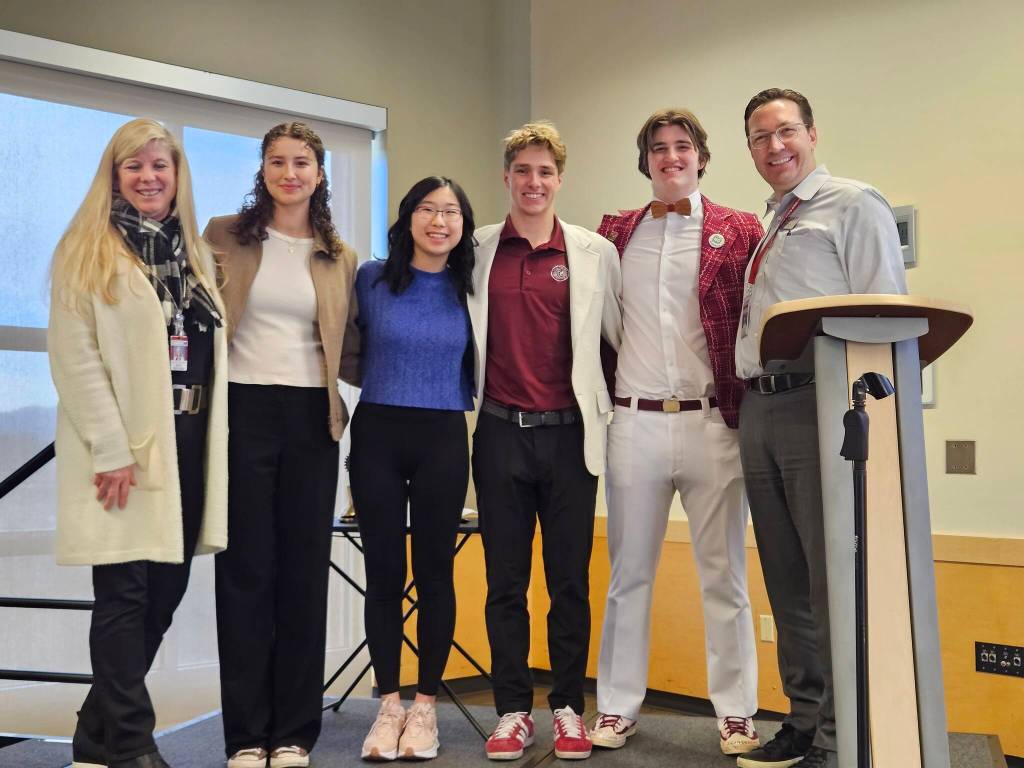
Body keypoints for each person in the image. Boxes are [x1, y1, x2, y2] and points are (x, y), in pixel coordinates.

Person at [734, 89, 908, 768]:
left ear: (812, 133)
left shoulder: (853, 204)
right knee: (786, 580)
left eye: (785, 131)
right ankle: (803, 721)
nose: (774, 146)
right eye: (760, 137)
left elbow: (885, 315)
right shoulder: (771, 221)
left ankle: (840, 737)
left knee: (830, 577)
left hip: (819, 401)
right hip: (759, 406)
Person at [48, 118, 228, 768]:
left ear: (177, 176)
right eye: (134, 166)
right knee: (124, 596)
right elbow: (75, 359)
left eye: (160, 166)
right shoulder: (86, 252)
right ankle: (130, 743)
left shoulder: (195, 255)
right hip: (125, 453)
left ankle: (95, 731)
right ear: (114, 175)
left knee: (164, 595)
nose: (149, 177)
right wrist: (110, 448)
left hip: (189, 445)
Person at [592, 107, 763, 756]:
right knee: (628, 574)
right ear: (646, 162)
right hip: (633, 421)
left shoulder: (740, 230)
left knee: (724, 575)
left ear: (701, 157)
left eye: (682, 146)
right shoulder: (612, 234)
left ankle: (737, 712)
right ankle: (616, 706)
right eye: (659, 148)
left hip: (712, 423)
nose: (671, 156)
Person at [204, 122, 358, 768]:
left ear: (320, 174)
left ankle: (294, 732)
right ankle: (245, 736)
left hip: (311, 418)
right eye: (277, 162)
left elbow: (353, 348)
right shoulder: (223, 235)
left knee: (302, 576)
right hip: (240, 411)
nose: (289, 173)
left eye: (301, 163)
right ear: (262, 170)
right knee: (245, 574)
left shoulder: (339, 255)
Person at [468, 121, 622, 762]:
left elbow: (618, 340)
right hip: (498, 433)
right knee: (504, 583)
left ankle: (566, 708)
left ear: (560, 180)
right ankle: (511, 711)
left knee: (568, 584)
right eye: (523, 171)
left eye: (545, 172)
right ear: (506, 177)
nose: (534, 182)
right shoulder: (475, 249)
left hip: (569, 438)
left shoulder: (593, 252)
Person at [351, 176, 477, 762]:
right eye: (427, 209)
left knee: (434, 575)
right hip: (377, 431)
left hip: (443, 434)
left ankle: (425, 708)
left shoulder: (471, 288)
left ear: (462, 225)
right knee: (382, 574)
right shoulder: (371, 279)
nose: (439, 221)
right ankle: (388, 706)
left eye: (450, 211)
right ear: (407, 219)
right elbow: (344, 349)